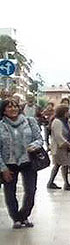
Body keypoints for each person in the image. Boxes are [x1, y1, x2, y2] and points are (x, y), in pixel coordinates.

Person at [0, 97, 44, 228]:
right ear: (3, 110)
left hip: (28, 161)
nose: (13, 109)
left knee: (31, 190)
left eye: (15, 106)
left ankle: (24, 215)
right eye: (9, 107)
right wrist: (3, 168)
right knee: (10, 192)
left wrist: (34, 145)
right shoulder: (1, 126)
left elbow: (39, 139)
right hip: (9, 164)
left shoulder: (30, 122)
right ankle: (16, 219)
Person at [47, 105, 70, 191]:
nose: (69, 113)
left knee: (59, 165)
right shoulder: (57, 122)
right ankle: (65, 183)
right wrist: (67, 144)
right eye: (68, 111)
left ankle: (52, 182)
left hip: (64, 147)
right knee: (63, 165)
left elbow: (69, 132)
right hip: (59, 147)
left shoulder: (65, 121)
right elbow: (58, 136)